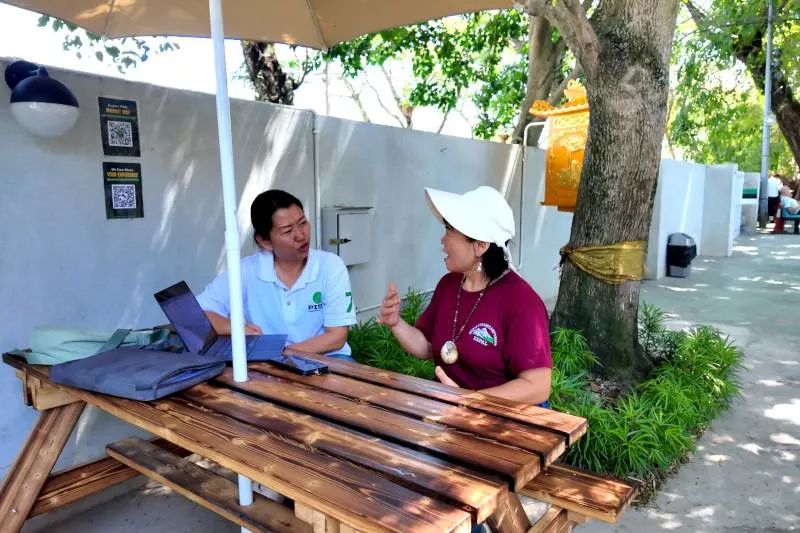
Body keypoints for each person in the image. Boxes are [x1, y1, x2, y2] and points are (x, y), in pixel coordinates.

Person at [378, 185, 552, 407]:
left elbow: (537, 386)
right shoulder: (449, 285)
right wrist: (396, 323)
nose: (443, 240)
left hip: (502, 418)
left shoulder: (521, 302)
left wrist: (471, 402)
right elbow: (427, 347)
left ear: (480, 245)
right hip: (450, 410)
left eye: (450, 230)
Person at [196, 189, 357, 360]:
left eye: (303, 223)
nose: (300, 235)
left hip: (328, 358)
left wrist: (281, 354)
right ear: (265, 241)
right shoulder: (246, 271)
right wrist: (236, 328)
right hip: (267, 362)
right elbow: (196, 315)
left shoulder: (330, 266)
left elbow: (336, 337)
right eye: (287, 231)